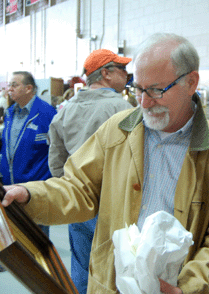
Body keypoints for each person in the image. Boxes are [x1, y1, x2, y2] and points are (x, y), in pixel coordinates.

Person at [1, 33, 209, 293]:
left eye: (156, 90)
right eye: (139, 89)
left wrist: (188, 288)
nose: (144, 102)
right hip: (111, 285)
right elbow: (78, 187)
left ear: (191, 82)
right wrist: (30, 194)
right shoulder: (116, 132)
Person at [48, 49, 133, 294]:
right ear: (105, 73)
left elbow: (56, 161)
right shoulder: (122, 109)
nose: (127, 75)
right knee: (115, 270)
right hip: (113, 204)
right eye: (122, 69)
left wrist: (72, 190)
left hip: (78, 203)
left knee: (81, 267)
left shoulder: (66, 109)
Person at [0, 71, 56, 243]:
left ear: (29, 88)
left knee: (37, 236)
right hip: (10, 183)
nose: (9, 89)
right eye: (9, 85)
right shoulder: (10, 113)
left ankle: (40, 267)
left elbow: (57, 150)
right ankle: (11, 259)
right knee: (13, 226)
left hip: (35, 186)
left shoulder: (47, 114)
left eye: (14, 85)